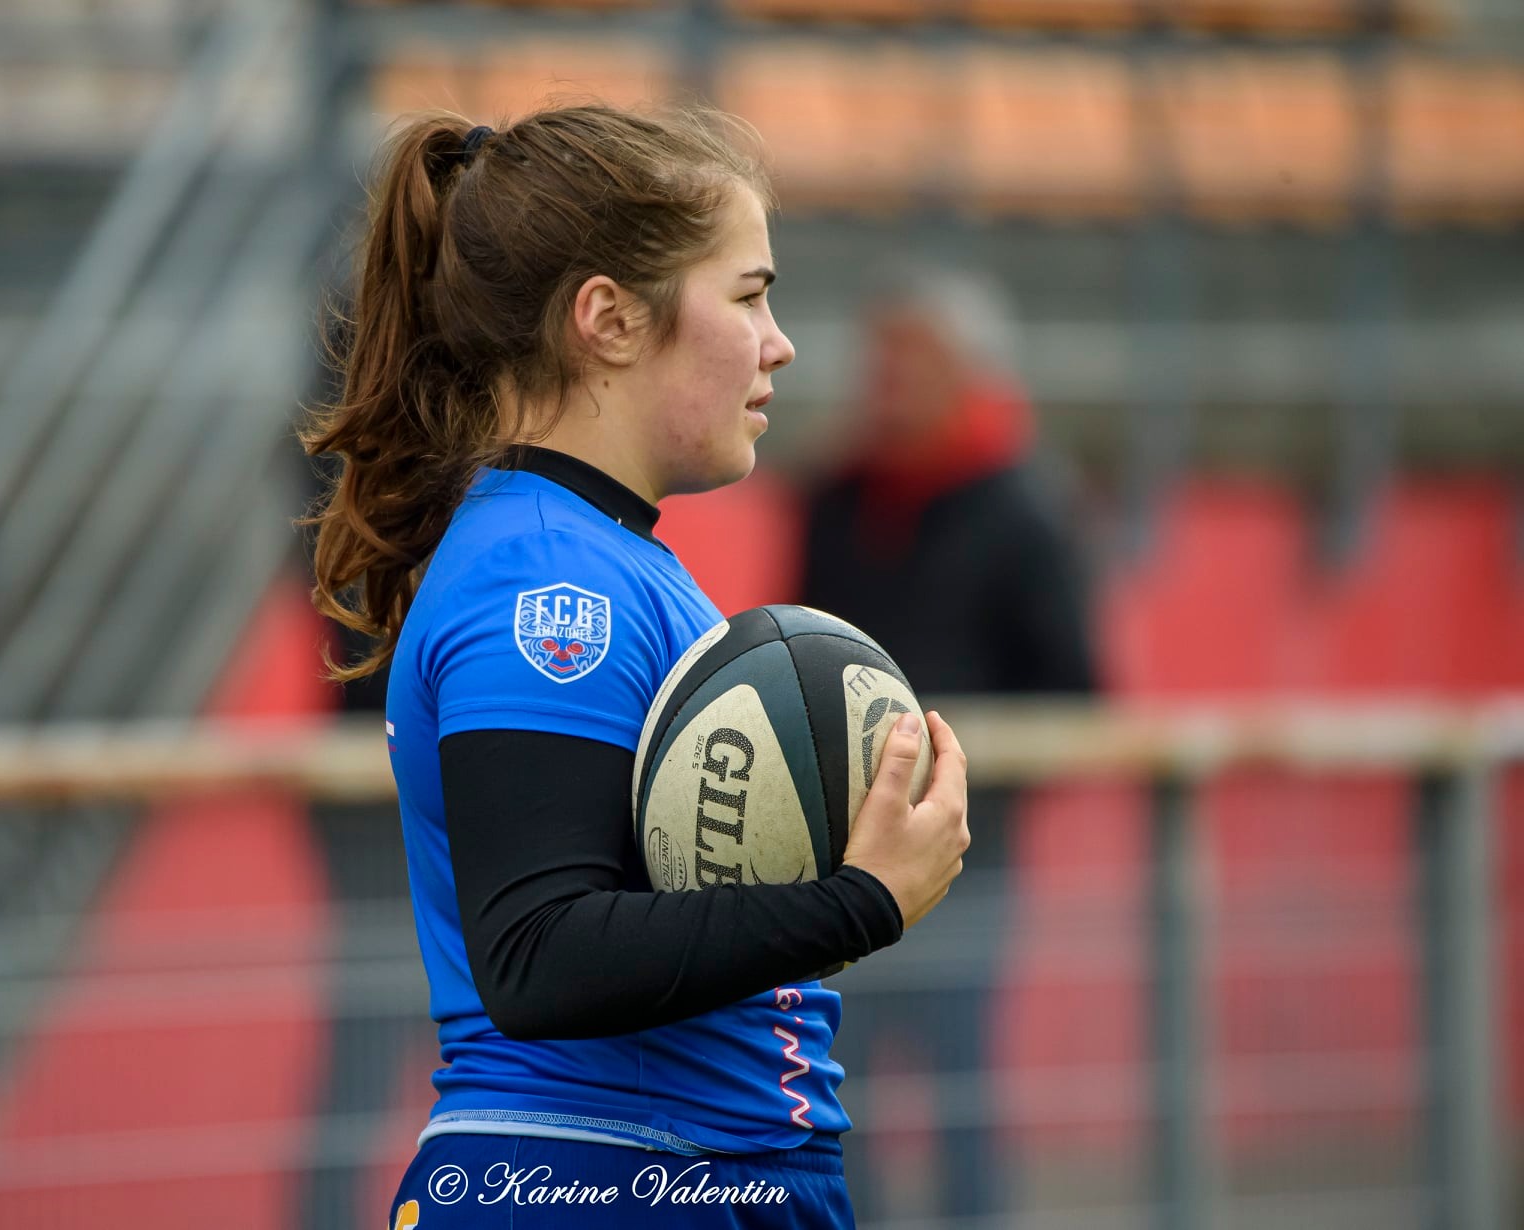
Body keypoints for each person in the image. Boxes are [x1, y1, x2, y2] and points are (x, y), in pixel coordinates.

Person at [300, 105, 972, 1229]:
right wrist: (860, 901)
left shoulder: (597, 553)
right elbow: (539, 954)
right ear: (608, 318)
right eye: (748, 296)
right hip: (598, 1178)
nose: (779, 342)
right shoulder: (545, 582)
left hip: (668, 1173)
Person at [799, 266, 1099, 1225]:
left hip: (966, 851)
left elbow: (1074, 691)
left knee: (958, 1074)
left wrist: (966, 786)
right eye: (879, 361)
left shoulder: (1025, 506)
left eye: (910, 362)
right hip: (840, 845)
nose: (886, 383)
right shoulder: (838, 497)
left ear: (968, 373)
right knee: (837, 1073)